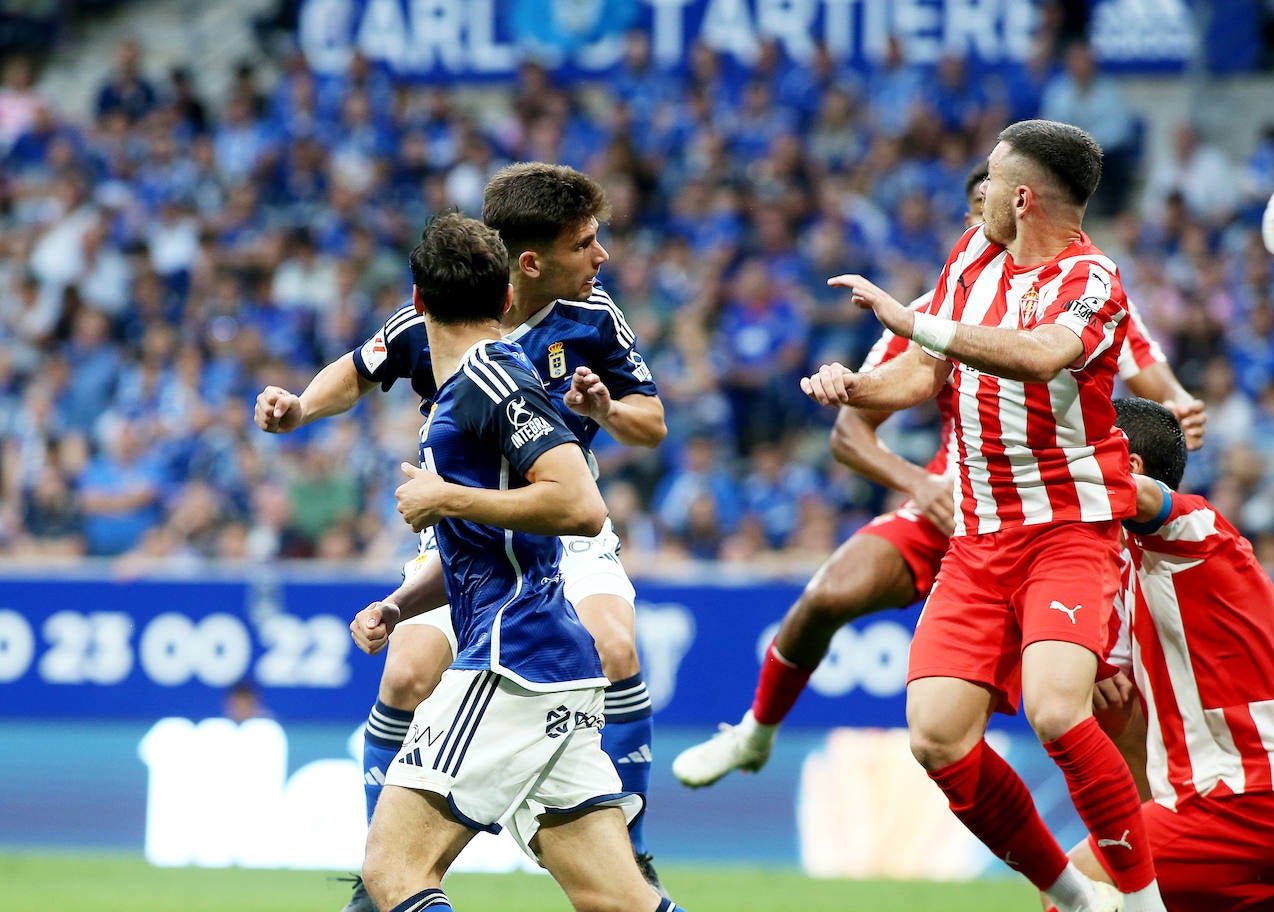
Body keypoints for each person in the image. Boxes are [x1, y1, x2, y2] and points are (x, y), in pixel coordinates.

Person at [674, 163, 1206, 788]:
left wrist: (1180, 407)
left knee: (1107, 708)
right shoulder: (931, 312)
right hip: (954, 502)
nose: (1003, 215)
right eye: (986, 204)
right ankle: (755, 732)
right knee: (831, 593)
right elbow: (851, 433)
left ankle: (1139, 858)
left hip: (1055, 517)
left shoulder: (1079, 288)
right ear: (974, 219)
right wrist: (920, 485)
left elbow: (1155, 379)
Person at [254, 163, 668, 911]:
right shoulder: (447, 348)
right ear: (515, 278)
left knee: (396, 872)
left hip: (516, 638)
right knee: (620, 902)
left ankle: (386, 877)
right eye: (586, 243)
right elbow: (355, 370)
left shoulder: (494, 373)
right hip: (511, 588)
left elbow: (581, 505)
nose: (600, 256)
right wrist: (401, 600)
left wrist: (448, 492)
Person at [801, 120, 1167, 912]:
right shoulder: (973, 255)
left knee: (1057, 710)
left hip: (1067, 528)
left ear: (1023, 196)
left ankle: (1144, 904)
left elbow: (1038, 355)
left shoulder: (1093, 280)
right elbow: (921, 375)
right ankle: (1074, 895)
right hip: (976, 538)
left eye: (994, 182)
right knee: (935, 736)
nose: (981, 196)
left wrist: (907, 318)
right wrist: (854, 389)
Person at [1048, 398, 1274, 912]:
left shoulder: (1193, 525)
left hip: (1261, 794)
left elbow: (1147, 498)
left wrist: (1024, 475)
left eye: (1083, 447)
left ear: (1126, 466)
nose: (1066, 456)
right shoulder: (1135, 580)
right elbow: (1121, 713)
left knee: (1078, 886)